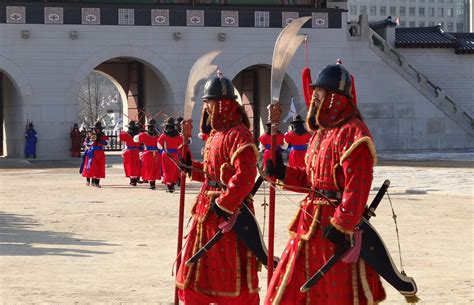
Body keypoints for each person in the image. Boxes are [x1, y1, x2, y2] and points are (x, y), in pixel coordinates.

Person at [264, 62, 386, 305]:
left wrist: (342, 224)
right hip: (308, 223)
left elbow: (357, 186)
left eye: (320, 93)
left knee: (334, 293)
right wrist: (283, 173)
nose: (315, 98)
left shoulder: (353, 133)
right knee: (288, 290)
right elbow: (311, 180)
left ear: (335, 98)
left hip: (334, 230)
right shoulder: (321, 134)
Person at [176, 73, 260, 305]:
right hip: (206, 212)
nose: (206, 108)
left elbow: (245, 176)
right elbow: (209, 173)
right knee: (195, 269)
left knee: (229, 272)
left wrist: (224, 204)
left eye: (209, 103)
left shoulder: (239, 134)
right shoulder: (215, 134)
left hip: (229, 216)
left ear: (222, 104)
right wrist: (189, 166)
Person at [134, 119, 161, 190]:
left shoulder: (144, 135)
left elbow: (135, 139)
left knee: (148, 168)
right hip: (156, 153)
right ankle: (153, 183)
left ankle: (151, 184)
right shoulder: (158, 135)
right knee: (154, 168)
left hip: (147, 154)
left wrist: (140, 133)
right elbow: (160, 146)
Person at [158, 117, 183, 193]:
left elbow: (159, 146)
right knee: (174, 169)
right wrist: (175, 148)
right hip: (174, 154)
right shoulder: (178, 135)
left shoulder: (163, 135)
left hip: (166, 154)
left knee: (166, 169)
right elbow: (180, 145)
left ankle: (169, 185)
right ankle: (172, 184)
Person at [81, 121, 109, 188]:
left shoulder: (102, 135)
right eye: (97, 129)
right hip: (91, 153)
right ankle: (89, 180)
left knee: (99, 167)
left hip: (100, 153)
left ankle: (97, 182)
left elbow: (107, 143)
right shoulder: (90, 135)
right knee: (91, 167)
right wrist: (89, 142)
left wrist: (101, 141)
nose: (98, 130)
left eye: (99, 129)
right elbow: (84, 143)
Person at [119, 121, 141, 186]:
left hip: (129, 151)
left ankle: (132, 180)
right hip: (136, 151)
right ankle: (135, 179)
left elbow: (121, 137)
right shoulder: (138, 135)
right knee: (136, 165)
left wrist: (123, 131)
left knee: (130, 165)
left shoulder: (126, 134)